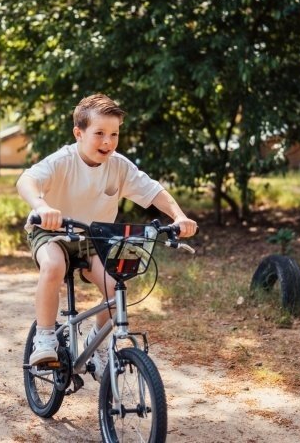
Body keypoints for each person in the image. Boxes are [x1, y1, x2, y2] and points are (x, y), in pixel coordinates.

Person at [16, 93, 198, 376]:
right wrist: (41, 206)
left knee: (117, 285)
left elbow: (153, 192)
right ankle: (45, 336)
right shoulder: (63, 161)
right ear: (79, 133)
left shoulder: (119, 166)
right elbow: (26, 180)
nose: (108, 142)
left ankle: (98, 342)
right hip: (53, 232)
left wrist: (179, 216)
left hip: (94, 237)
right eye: (99, 133)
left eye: (114, 134)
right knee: (53, 266)